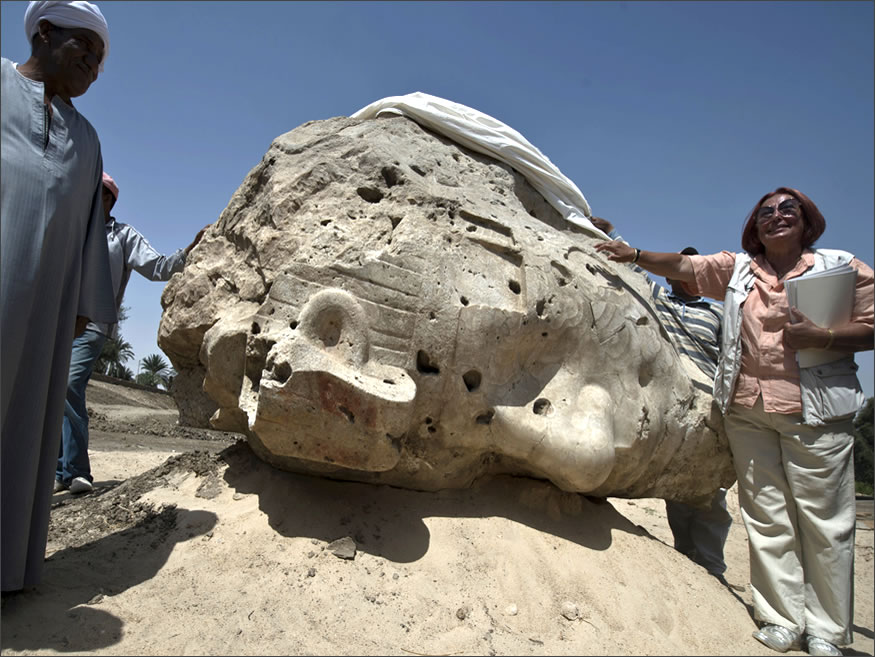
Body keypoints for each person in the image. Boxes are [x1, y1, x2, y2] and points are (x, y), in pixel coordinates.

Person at [595, 187, 874, 657]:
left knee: (825, 524)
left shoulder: (841, 267)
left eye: (788, 209)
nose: (777, 216)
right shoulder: (740, 269)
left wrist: (823, 335)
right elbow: (685, 268)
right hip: (748, 410)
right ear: (754, 226)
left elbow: (870, 324)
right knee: (766, 518)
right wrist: (634, 252)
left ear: (807, 221)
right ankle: (781, 619)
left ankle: (826, 631)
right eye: (765, 212)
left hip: (817, 410)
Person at [1, 0, 117, 593]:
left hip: (46, 316)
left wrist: (79, 307)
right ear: (44, 33)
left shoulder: (89, 138)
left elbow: (91, 233)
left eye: (100, 60)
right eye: (85, 50)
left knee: (25, 429)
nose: (94, 66)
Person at [591, 216, 732, 582]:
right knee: (679, 490)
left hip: (710, 399)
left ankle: (712, 567)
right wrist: (608, 234)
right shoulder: (660, 300)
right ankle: (689, 560)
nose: (685, 277)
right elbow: (634, 273)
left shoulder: (718, 310)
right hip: (676, 399)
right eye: (678, 271)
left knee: (709, 494)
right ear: (669, 278)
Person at [54, 172, 206, 494]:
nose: (98, 199)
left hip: (94, 324)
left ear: (111, 200)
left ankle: (77, 471)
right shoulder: (71, 228)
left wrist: (190, 251)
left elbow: (158, 267)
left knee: (69, 385)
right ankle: (58, 470)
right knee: (52, 392)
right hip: (57, 322)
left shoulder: (122, 236)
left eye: (105, 195)